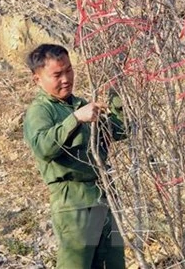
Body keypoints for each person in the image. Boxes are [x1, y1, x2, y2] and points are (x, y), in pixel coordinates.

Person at [23, 44, 127, 269]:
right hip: (74, 204)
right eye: (57, 74)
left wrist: (117, 92)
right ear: (37, 79)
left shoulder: (80, 104)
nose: (66, 79)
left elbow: (120, 130)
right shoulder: (41, 111)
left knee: (113, 264)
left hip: (104, 198)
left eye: (69, 70)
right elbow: (43, 147)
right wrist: (75, 119)